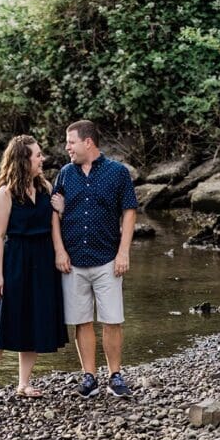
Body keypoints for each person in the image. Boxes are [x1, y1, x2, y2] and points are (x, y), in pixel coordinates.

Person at [0, 135, 69, 403]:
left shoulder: (45, 187)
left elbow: (54, 223)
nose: (42, 158)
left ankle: (24, 383)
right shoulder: (6, 193)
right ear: (23, 160)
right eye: (37, 155)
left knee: (34, 322)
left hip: (43, 260)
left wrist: (61, 209)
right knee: (0, 325)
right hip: (15, 261)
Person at [51, 120, 138, 398]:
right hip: (73, 259)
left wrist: (124, 252)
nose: (67, 148)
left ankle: (115, 375)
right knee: (82, 320)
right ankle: (89, 377)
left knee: (112, 320)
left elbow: (129, 211)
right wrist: (59, 251)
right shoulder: (65, 174)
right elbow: (53, 213)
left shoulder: (118, 173)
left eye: (71, 142)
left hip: (107, 259)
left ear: (88, 142)